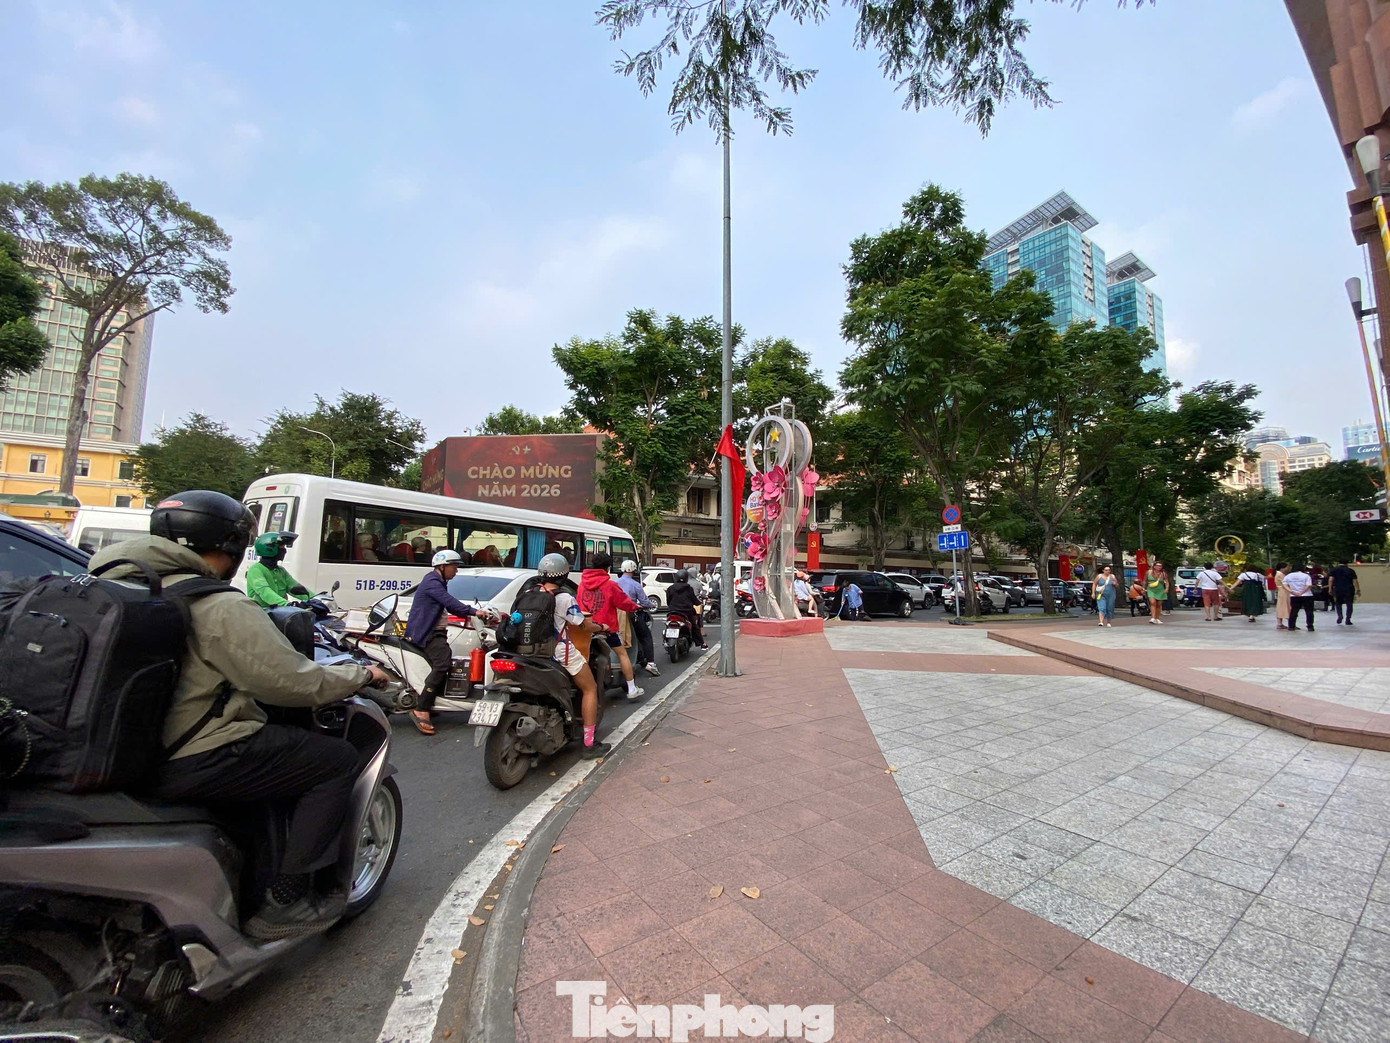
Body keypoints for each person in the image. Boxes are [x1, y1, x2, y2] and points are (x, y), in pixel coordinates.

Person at [89, 491, 393, 941]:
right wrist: (361, 674)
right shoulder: (217, 604)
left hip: (108, 747)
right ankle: (285, 900)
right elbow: (291, 682)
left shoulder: (102, 583)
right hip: (190, 756)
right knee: (335, 761)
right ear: (230, 545)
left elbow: (296, 592)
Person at [403, 549, 502, 734]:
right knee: (443, 664)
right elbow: (450, 602)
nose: (456, 571)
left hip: (435, 632)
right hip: (428, 633)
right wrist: (474, 611)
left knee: (440, 664)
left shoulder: (439, 582)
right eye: (454, 567)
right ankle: (422, 709)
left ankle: (431, 701)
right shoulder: (432, 582)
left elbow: (451, 608)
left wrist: (474, 613)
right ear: (442, 566)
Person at [536, 553, 612, 759]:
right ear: (563, 575)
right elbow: (582, 624)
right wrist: (602, 627)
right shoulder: (564, 598)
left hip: (529, 652)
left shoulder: (529, 593)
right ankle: (589, 744)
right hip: (558, 651)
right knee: (590, 688)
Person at [577, 552, 645, 699]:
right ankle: (632, 689)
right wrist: (636, 607)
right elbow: (624, 602)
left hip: (585, 628)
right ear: (607, 568)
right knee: (622, 654)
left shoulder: (582, 584)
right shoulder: (610, 585)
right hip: (606, 628)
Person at [245, 531, 311, 608]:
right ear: (269, 548)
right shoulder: (255, 570)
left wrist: (317, 598)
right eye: (282, 547)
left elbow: (294, 587)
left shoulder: (281, 571)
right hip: (260, 612)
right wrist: (288, 604)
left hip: (278, 612)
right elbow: (265, 592)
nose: (284, 550)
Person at [617, 559, 660, 677]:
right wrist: (651, 605)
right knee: (646, 636)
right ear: (633, 570)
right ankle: (650, 663)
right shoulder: (635, 584)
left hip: (617, 615)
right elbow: (644, 601)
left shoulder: (615, 583)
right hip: (633, 613)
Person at [664, 569, 706, 649]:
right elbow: (694, 600)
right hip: (686, 612)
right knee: (694, 626)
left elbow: (668, 600)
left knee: (667, 624)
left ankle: (666, 639)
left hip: (673, 611)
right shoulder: (689, 588)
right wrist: (698, 603)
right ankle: (702, 643)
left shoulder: (670, 588)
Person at [1283, 564, 1315, 632]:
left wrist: (1292, 592)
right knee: (1309, 611)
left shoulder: (1288, 576)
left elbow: (1285, 585)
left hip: (1294, 596)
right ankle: (1310, 626)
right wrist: (1302, 592)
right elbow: (1308, 585)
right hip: (1307, 595)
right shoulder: (1306, 576)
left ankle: (1291, 626)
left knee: (1294, 611)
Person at [1329, 560, 1361, 625]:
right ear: (1346, 564)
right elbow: (1355, 581)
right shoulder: (1350, 571)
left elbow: (1330, 580)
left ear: (1339, 563)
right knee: (1349, 604)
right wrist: (1358, 589)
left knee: (1338, 603)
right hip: (1349, 589)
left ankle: (1340, 616)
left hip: (1338, 589)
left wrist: (1330, 589)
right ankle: (1348, 619)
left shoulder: (1334, 570)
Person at [1275, 562, 1292, 630]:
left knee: (1282, 606)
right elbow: (1285, 583)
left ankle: (1280, 623)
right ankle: (1289, 623)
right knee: (1285, 606)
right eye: (1286, 567)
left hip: (1282, 591)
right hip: (1284, 591)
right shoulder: (1280, 575)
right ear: (1282, 568)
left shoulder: (1280, 574)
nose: (1288, 568)